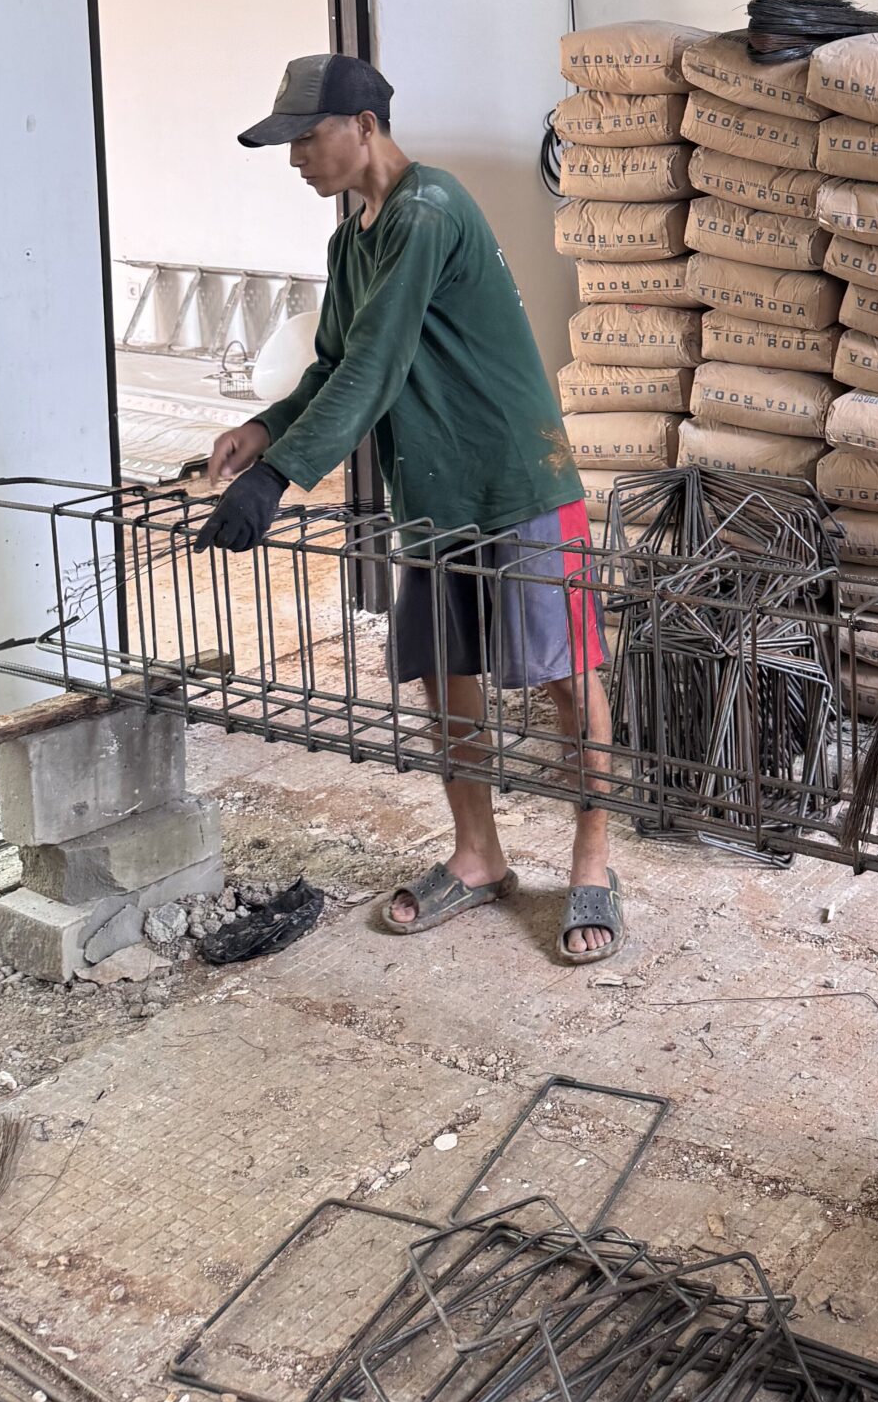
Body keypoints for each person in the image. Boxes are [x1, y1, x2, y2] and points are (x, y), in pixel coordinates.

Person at [197, 53, 623, 962]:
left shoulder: (429, 209)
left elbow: (377, 364)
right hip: (432, 489)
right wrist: (264, 432)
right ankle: (479, 856)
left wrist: (278, 481)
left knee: (564, 669)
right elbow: (333, 366)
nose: (295, 159)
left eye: (306, 138)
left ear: (364, 126)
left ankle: (593, 861)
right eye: (287, 144)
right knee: (445, 667)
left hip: (515, 477)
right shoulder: (351, 243)